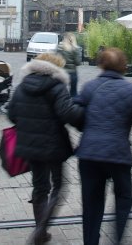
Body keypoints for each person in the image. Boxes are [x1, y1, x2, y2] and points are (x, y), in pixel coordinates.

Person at [75, 47, 132, 245]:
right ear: (123, 67)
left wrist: (84, 126)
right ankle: (117, 238)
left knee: (92, 204)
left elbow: (74, 112)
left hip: (89, 154)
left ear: (101, 65)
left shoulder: (90, 87)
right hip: (118, 154)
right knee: (124, 197)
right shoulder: (130, 90)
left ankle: (90, 242)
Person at [7, 53, 84, 245]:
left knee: (40, 187)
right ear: (56, 67)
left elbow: (11, 114)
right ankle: (40, 230)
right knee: (59, 186)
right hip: (53, 145)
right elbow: (68, 113)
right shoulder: (57, 86)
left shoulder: (22, 86)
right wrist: (85, 118)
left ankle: (40, 231)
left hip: (30, 145)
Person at [57, 32, 81, 97]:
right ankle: (72, 105)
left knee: (61, 92)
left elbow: (57, 60)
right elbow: (78, 62)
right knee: (73, 92)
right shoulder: (75, 49)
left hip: (62, 72)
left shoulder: (60, 48)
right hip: (72, 73)